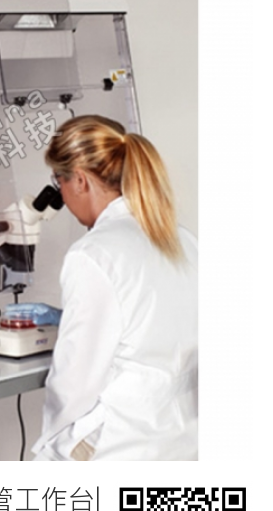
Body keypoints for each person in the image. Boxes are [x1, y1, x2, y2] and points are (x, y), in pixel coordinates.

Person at [32, 115, 198, 461]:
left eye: (59, 181)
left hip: (118, 446)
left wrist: (49, 449)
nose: (61, 195)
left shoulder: (93, 254)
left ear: (79, 180)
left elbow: (74, 384)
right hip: (183, 441)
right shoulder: (183, 239)